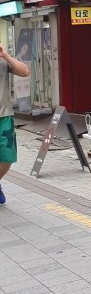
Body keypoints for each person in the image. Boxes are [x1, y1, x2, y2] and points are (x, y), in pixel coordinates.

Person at [0, 42, 30, 205]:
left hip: (3, 116)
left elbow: (25, 71)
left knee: (8, 156)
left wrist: (6, 56)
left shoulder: (3, 60)